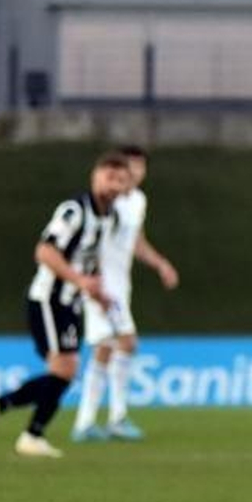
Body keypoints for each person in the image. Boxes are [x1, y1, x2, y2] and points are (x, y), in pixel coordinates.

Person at [0, 151, 130, 458]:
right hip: (48, 299)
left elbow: (89, 257)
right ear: (95, 176)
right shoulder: (74, 210)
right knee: (65, 368)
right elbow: (45, 251)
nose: (113, 185)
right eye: (108, 177)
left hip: (70, 302)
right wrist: (79, 280)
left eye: (120, 180)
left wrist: (96, 290)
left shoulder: (110, 218)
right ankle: (7, 415)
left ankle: (18, 424)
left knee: (64, 372)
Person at [70, 146, 180, 443]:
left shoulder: (138, 202)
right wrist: (88, 280)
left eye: (140, 168)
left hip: (121, 285)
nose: (135, 173)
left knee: (122, 345)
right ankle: (91, 421)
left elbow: (136, 241)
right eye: (130, 167)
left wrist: (160, 264)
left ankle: (109, 419)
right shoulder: (107, 202)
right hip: (101, 284)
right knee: (111, 344)